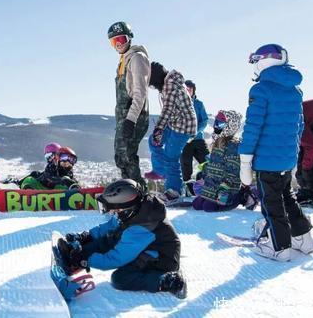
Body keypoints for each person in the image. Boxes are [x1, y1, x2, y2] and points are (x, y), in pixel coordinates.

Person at [239, 44, 313, 262]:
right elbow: (298, 126)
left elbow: (253, 127)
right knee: (287, 197)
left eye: (254, 61)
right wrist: (292, 154)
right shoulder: (295, 90)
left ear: (263, 61)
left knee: (271, 204)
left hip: (266, 160)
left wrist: (245, 160)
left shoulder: (260, 90)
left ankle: (278, 246)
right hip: (286, 158)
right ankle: (303, 238)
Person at [57, 179, 187, 299]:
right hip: (144, 246)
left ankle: (168, 280)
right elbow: (109, 226)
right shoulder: (132, 211)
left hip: (160, 258)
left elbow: (115, 259)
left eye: (114, 210)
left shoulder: (142, 228)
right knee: (108, 239)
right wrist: (86, 237)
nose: (112, 213)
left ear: (125, 209)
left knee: (121, 278)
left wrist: (86, 260)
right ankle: (74, 256)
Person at [108, 21, 150, 190]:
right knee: (121, 156)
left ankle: (139, 193)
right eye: (114, 41)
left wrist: (130, 120)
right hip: (124, 116)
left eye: (121, 39)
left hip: (134, 115)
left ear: (129, 38)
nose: (118, 44)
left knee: (127, 155)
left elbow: (140, 93)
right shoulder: (124, 60)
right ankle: (128, 191)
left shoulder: (137, 58)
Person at [145, 62, 197, 195]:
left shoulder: (171, 86)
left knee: (170, 157)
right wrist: (158, 132)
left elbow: (167, 110)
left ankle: (174, 191)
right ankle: (160, 171)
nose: (153, 87)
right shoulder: (169, 84)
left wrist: (158, 129)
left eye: (152, 84)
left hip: (183, 127)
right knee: (153, 141)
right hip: (174, 123)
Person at [191, 110, 256, 212]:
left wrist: (224, 189)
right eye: (216, 124)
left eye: (220, 124)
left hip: (227, 187)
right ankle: (212, 197)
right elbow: (211, 164)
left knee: (208, 208)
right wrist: (203, 177)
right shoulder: (217, 143)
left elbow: (233, 171)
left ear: (230, 126)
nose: (217, 127)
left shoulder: (233, 146)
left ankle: (241, 195)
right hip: (212, 185)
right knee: (196, 205)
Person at [180, 80, 209, 194]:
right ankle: (189, 189)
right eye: (185, 89)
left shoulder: (198, 104)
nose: (188, 91)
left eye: (190, 89)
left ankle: (208, 184)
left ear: (193, 91)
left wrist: (195, 132)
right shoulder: (180, 104)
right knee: (185, 163)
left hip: (198, 139)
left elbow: (205, 120)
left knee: (207, 161)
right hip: (184, 141)